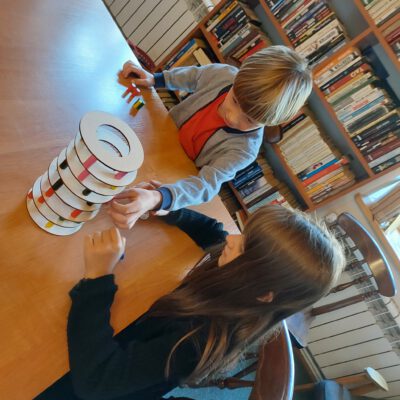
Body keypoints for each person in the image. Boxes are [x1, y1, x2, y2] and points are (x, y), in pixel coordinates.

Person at [67, 203, 345, 400]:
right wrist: (161, 204)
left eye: (244, 246)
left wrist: (97, 278)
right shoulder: (244, 284)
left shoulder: (198, 341)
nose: (232, 239)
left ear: (263, 293)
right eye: (244, 233)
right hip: (125, 341)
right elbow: (213, 231)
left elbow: (95, 381)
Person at [115, 45, 313, 229]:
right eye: (235, 101)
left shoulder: (244, 150)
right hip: (157, 134)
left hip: (173, 170)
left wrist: (159, 197)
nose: (232, 117)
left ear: (269, 123)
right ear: (237, 78)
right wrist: (157, 79)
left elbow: (206, 185)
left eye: (249, 120)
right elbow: (194, 76)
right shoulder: (224, 75)